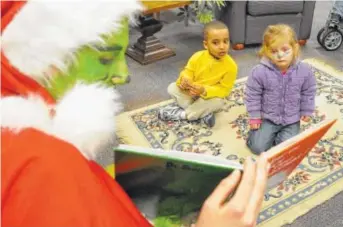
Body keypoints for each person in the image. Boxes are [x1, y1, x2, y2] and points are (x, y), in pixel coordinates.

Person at [1, 1, 268, 226]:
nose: (125, 75)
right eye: (106, 59)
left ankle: (189, 112)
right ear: (48, 62)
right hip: (194, 93)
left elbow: (222, 88)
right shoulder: (43, 166)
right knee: (173, 88)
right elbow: (187, 72)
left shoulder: (33, 148)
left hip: (211, 96)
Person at [244, 24, 316, 155]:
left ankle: (279, 139)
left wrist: (306, 109)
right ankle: (258, 136)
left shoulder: (304, 71)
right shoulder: (259, 72)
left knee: (286, 150)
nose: (280, 55)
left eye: (285, 50)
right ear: (266, 51)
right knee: (257, 148)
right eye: (274, 51)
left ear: (295, 48)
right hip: (268, 117)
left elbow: (308, 91)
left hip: (291, 119)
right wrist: (254, 116)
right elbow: (252, 95)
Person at [158, 21, 238, 127]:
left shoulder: (231, 66)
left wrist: (204, 90)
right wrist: (184, 80)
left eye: (225, 41)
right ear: (206, 44)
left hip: (209, 97)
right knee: (172, 88)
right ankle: (203, 115)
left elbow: (224, 90)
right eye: (215, 43)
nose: (222, 46)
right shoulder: (197, 56)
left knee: (219, 102)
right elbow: (187, 72)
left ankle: (182, 114)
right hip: (191, 94)